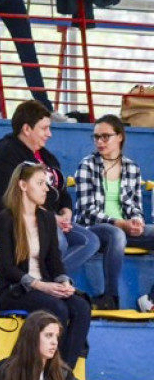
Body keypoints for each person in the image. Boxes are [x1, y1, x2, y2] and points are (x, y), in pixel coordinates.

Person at [0, 162, 91, 369]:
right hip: (14, 289)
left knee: (81, 306)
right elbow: (7, 268)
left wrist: (63, 282)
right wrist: (40, 285)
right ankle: (47, 370)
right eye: (40, 183)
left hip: (45, 285)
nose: (47, 188)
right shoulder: (5, 220)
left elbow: (54, 260)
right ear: (23, 185)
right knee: (57, 308)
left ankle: (64, 372)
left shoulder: (46, 218)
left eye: (46, 183)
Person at [0, 101, 98, 274]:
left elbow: (62, 191)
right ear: (27, 129)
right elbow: (12, 199)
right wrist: (50, 219)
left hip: (50, 220)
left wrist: (66, 212)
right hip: (12, 221)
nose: (49, 134)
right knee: (59, 241)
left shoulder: (48, 158)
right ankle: (43, 284)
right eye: (44, 128)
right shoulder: (4, 154)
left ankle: (47, 281)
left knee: (90, 241)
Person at [73, 115, 154, 310]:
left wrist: (136, 220)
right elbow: (86, 211)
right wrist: (120, 223)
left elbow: (135, 205)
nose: (99, 142)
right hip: (93, 228)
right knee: (116, 234)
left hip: (123, 227)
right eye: (96, 137)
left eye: (105, 136)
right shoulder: (87, 165)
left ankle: (151, 300)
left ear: (120, 137)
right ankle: (110, 297)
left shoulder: (132, 168)